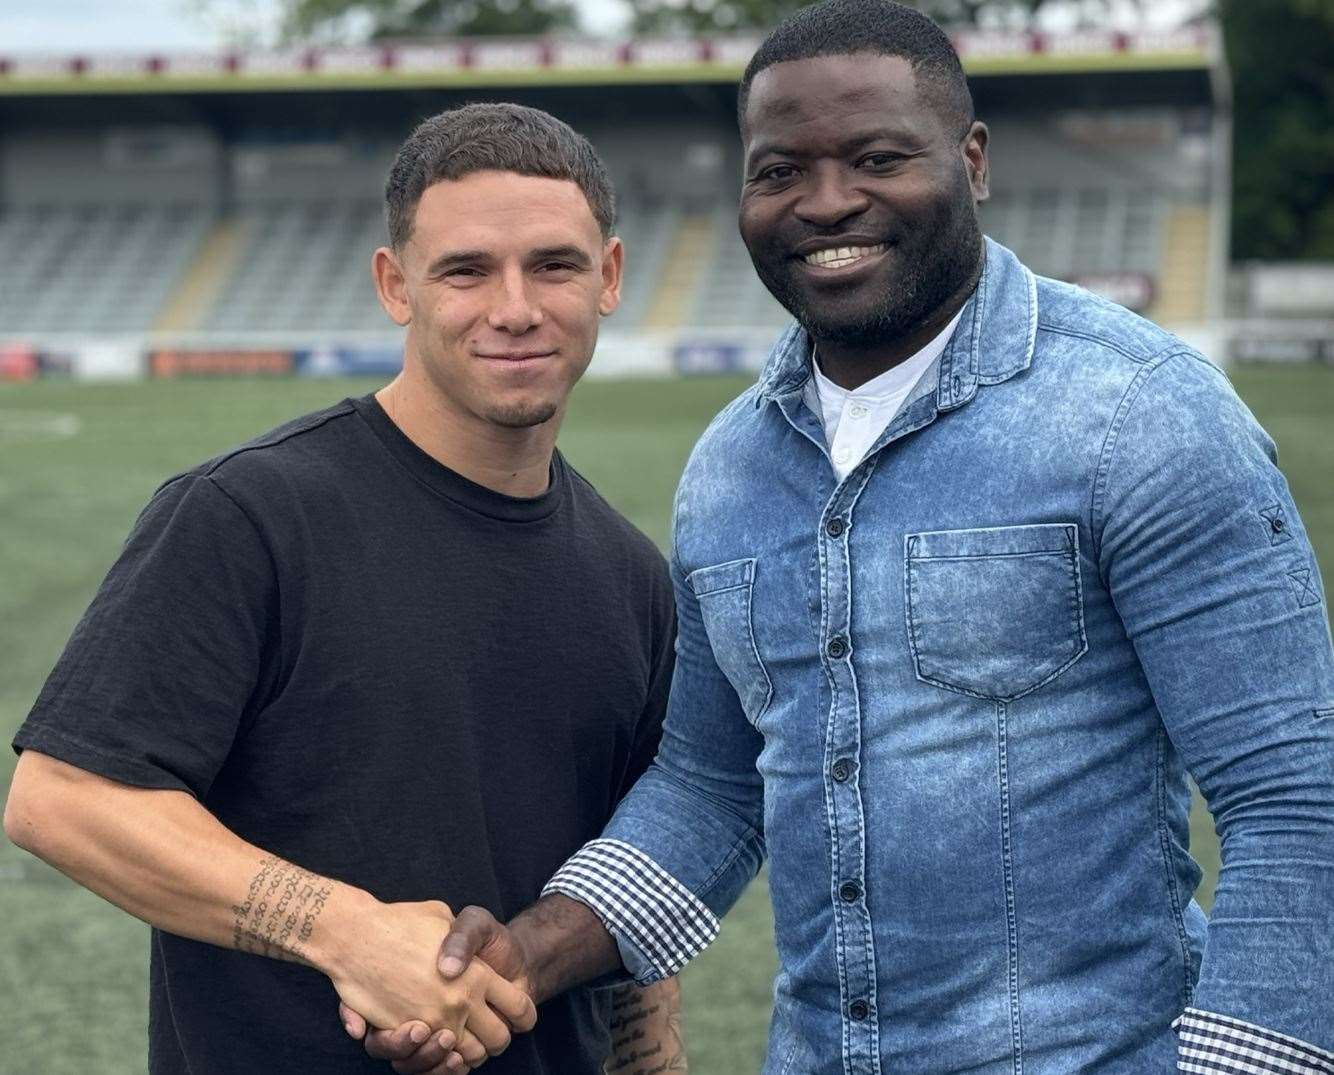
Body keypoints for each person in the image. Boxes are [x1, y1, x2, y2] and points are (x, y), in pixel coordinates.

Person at [364, 3, 1334, 1073]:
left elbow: (1294, 796)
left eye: (877, 157)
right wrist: (524, 953)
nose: (827, 204)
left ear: (969, 162)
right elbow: (710, 786)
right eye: (779, 170)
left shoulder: (1136, 413)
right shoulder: (731, 468)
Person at [4, 102, 685, 1075]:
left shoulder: (629, 575)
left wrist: (650, 1049)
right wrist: (344, 930)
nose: (515, 306)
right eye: (464, 269)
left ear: (609, 276)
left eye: (553, 265)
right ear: (394, 284)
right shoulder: (249, 516)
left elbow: (629, 867)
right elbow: (62, 799)